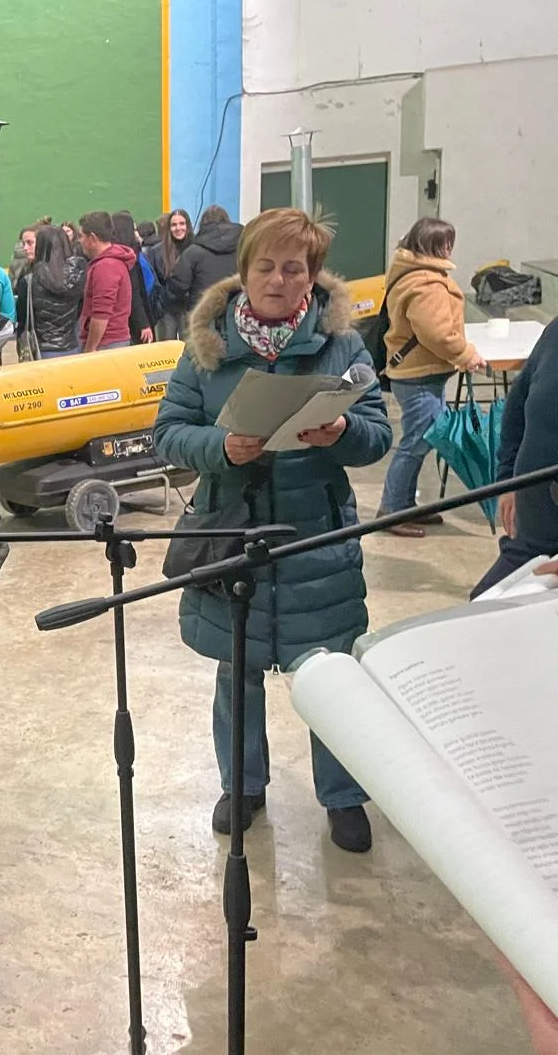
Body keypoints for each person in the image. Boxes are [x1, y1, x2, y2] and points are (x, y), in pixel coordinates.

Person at [153, 207, 393, 854]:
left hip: (316, 538)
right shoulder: (207, 347)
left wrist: (341, 432)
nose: (278, 281)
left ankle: (343, 795)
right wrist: (221, 447)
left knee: (332, 677)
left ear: (313, 277)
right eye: (266, 267)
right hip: (234, 532)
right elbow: (168, 432)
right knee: (237, 672)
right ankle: (243, 786)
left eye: (294, 269)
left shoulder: (341, 345)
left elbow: (378, 435)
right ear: (244, 271)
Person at [377, 218, 487, 535]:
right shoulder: (426, 283)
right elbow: (436, 334)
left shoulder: (413, 274)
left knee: (421, 441)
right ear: (435, 245)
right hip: (420, 375)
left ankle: (403, 506)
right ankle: (391, 511)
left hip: (419, 372)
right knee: (417, 442)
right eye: (446, 243)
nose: (450, 248)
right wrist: (466, 354)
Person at [472, 317, 558, 597]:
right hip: (532, 536)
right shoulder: (555, 333)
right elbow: (517, 406)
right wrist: (508, 480)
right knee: (479, 605)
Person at [77, 212, 136, 353]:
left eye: (81, 236)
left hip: (106, 344)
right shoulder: (111, 263)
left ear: (92, 238)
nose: (79, 241)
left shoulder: (105, 267)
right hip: (111, 342)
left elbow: (101, 314)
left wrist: (91, 348)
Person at [26, 224, 88, 359]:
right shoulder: (78, 273)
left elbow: (25, 316)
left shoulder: (30, 279)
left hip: (43, 349)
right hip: (72, 345)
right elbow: (81, 307)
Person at [167, 204, 242, 316]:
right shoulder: (242, 249)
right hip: (234, 311)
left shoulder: (192, 252)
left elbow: (178, 287)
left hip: (202, 312)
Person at [112, 211, 156, 344]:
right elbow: (135, 292)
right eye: (134, 230)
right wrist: (144, 323)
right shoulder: (130, 257)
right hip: (133, 321)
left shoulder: (112, 255)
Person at [149, 209, 194, 340]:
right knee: (166, 348)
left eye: (182, 223)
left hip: (190, 308)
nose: (178, 228)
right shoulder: (156, 251)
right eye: (174, 225)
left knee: (190, 348)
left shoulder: (197, 249)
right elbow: (155, 282)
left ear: (188, 225)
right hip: (166, 309)